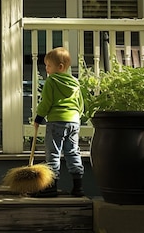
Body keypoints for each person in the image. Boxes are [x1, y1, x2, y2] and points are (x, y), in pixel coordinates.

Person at [32, 47, 85, 197]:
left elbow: (46, 103)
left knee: (53, 154)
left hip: (56, 122)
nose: (46, 69)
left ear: (60, 67)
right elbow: (80, 104)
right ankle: (78, 187)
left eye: (48, 65)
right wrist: (76, 117)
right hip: (74, 122)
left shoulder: (51, 82)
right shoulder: (75, 83)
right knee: (73, 152)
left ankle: (51, 187)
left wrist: (38, 118)